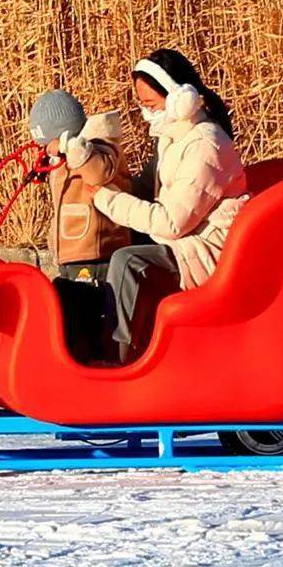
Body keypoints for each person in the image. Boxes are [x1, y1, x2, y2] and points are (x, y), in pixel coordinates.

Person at [93, 49, 246, 362]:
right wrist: (97, 172)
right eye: (142, 105)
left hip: (206, 251)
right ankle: (106, 342)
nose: (147, 114)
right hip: (184, 244)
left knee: (128, 260)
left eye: (151, 105)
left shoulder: (206, 146)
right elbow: (142, 189)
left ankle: (117, 359)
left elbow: (172, 223)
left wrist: (106, 198)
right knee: (116, 247)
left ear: (181, 98)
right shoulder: (173, 139)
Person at [34, 98, 126, 362]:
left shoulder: (99, 149)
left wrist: (69, 148)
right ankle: (73, 360)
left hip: (95, 253)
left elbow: (98, 173)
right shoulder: (64, 158)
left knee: (89, 311)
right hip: (71, 254)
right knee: (65, 303)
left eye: (47, 142)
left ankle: (99, 362)